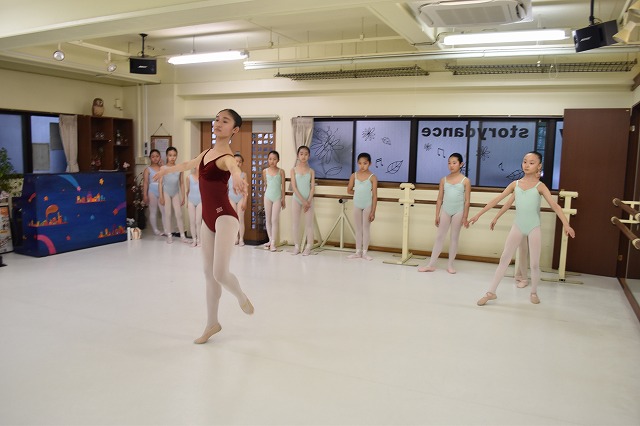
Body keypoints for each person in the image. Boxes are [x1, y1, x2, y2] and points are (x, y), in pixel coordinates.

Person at [154, 108, 254, 344]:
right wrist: (167, 169)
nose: (218, 123)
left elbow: (233, 167)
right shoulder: (207, 152)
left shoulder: (227, 157)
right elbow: (188, 163)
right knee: (209, 274)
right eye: (217, 119)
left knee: (220, 273)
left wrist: (237, 176)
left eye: (225, 121)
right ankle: (212, 323)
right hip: (207, 220)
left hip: (225, 217)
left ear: (234, 130)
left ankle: (241, 296)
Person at [469, 151, 575, 306]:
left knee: (534, 264)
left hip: (534, 227)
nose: (527, 165)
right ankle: (491, 292)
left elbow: (555, 206)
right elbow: (497, 200)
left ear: (539, 166)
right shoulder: (515, 184)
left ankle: (534, 292)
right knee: (504, 258)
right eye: (525, 161)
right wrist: (479, 214)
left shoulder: (540, 186)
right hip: (518, 226)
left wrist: (566, 224)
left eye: (531, 163)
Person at [418, 153, 470, 274]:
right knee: (439, 236)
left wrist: (465, 217)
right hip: (446, 210)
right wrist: (437, 215)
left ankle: (450, 265)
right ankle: (431, 264)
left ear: (461, 164)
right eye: (449, 163)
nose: (451, 165)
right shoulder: (444, 180)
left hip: (458, 211)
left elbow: (467, 201)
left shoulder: (465, 181)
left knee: (454, 238)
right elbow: (439, 199)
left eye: (454, 163)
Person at [491, 194, 530, 288]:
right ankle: (521, 276)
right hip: (520, 222)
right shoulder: (518, 188)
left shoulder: (537, 188)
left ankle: (522, 276)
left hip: (531, 221)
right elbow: (508, 203)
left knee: (524, 249)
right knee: (520, 249)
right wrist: (496, 217)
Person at [346, 152, 378, 261]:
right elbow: (349, 190)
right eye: (360, 163)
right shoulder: (353, 175)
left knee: (366, 228)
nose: (362, 166)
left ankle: (365, 252)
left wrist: (373, 212)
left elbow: (374, 196)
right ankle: (357, 252)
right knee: (358, 229)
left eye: (365, 163)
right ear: (357, 163)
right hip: (357, 204)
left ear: (370, 163)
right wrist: (358, 193)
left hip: (367, 205)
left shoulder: (373, 177)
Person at [290, 145, 316, 256]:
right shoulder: (293, 170)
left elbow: (312, 187)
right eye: (301, 154)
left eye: (306, 154)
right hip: (297, 199)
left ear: (309, 156)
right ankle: (296, 246)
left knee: (309, 224)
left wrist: (308, 201)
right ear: (298, 156)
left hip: (309, 200)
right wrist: (303, 201)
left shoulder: (311, 171)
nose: (303, 156)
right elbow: (294, 187)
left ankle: (308, 246)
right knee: (295, 223)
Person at [159, 147, 187, 244]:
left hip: (175, 193)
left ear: (176, 156)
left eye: (174, 155)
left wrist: (183, 196)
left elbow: (181, 183)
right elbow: (160, 183)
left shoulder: (180, 168)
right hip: (166, 192)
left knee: (179, 214)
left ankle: (182, 236)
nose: (172, 157)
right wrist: (161, 196)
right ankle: (169, 235)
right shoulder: (163, 168)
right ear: (167, 156)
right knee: (168, 214)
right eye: (170, 155)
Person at [262, 150, 286, 252]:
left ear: (278, 160)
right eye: (270, 159)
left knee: (274, 219)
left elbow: (283, 186)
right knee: (268, 219)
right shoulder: (265, 171)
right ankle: (271, 240)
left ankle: (273, 243)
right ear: (268, 160)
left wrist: (283, 198)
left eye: (274, 159)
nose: (272, 161)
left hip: (277, 197)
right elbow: (265, 184)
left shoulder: (281, 172)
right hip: (267, 196)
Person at [142, 149, 165, 236]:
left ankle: (166, 229)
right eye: (153, 157)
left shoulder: (162, 168)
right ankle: (155, 230)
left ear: (160, 157)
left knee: (164, 211)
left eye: (157, 156)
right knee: (153, 211)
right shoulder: (147, 169)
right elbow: (145, 183)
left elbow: (167, 179)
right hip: (152, 191)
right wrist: (145, 195)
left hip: (161, 190)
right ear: (150, 158)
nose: (155, 158)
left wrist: (163, 166)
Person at [228, 153, 248, 246]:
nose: (238, 163)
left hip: (240, 198)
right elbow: (226, 188)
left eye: (240, 162)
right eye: (236, 161)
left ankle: (241, 239)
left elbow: (246, 189)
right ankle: (235, 237)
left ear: (242, 163)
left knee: (240, 218)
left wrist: (245, 201)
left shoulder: (244, 175)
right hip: (231, 198)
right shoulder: (228, 174)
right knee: (233, 219)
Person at [186, 164, 202, 247]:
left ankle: (199, 240)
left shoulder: (204, 178)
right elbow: (188, 190)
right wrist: (187, 202)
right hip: (191, 201)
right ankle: (194, 240)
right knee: (192, 221)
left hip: (200, 201)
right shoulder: (189, 177)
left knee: (198, 222)